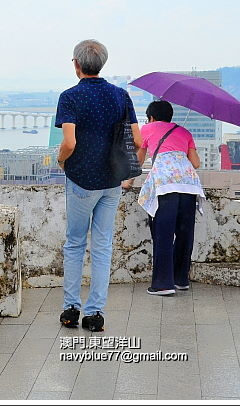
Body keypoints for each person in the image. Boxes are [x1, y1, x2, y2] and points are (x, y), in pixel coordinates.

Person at [55, 39, 141, 333]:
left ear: (76, 64)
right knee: (102, 246)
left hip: (81, 179)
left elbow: (69, 142)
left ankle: (71, 309)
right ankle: (95, 314)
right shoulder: (121, 96)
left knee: (76, 243)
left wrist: (61, 160)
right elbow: (138, 141)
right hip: (111, 180)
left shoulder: (70, 97)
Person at [124, 100, 204, 296]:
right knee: (185, 233)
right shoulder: (184, 132)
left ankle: (162, 284)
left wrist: (128, 183)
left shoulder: (148, 128)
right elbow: (196, 162)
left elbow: (139, 160)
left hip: (165, 185)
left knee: (163, 233)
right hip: (189, 184)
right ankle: (180, 279)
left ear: (151, 117)